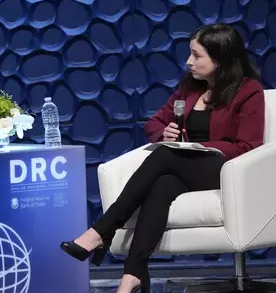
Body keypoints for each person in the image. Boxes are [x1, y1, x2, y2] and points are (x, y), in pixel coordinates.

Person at [60, 24, 265, 293]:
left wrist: (194, 146)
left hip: (228, 172)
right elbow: (154, 123)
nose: (189, 61)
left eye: (196, 55)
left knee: (167, 155)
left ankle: (100, 231)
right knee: (163, 184)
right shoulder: (190, 88)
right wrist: (164, 132)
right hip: (187, 168)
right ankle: (133, 274)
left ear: (221, 58)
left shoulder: (249, 91)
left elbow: (247, 146)